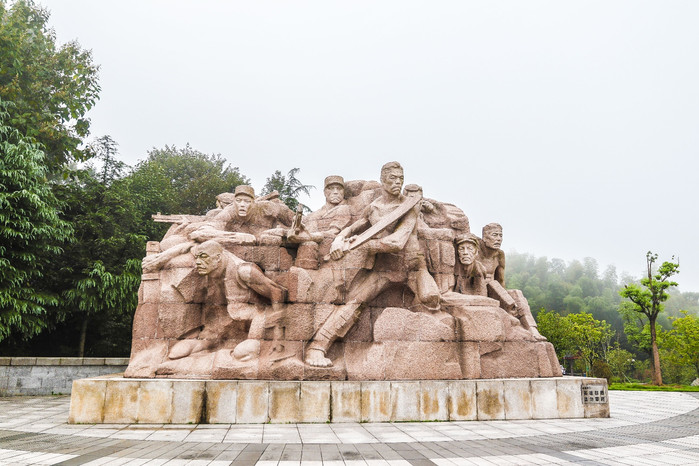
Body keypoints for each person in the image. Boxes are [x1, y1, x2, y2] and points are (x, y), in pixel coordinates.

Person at [305, 162, 441, 367]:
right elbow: (352, 228)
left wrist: (364, 246)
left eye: (400, 179)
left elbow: (397, 242)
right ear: (382, 180)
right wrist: (339, 239)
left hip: (413, 267)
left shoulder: (410, 206)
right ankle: (317, 348)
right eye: (393, 178)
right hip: (386, 269)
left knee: (431, 298)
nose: (397, 182)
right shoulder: (375, 207)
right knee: (353, 303)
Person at [167, 240, 289, 361]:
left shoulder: (244, 271)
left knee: (241, 353)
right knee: (178, 351)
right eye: (197, 258)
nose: (198, 262)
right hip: (228, 321)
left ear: (218, 258)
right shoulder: (213, 271)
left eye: (204, 257)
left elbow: (277, 291)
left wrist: (279, 331)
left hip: (257, 318)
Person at [478, 223, 545, 341]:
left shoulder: (499, 255)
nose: (499, 239)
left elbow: (501, 281)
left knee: (516, 293)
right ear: (484, 237)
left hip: (494, 290)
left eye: (500, 236)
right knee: (493, 284)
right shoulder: (476, 252)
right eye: (495, 235)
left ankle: (532, 329)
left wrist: (506, 298)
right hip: (478, 289)